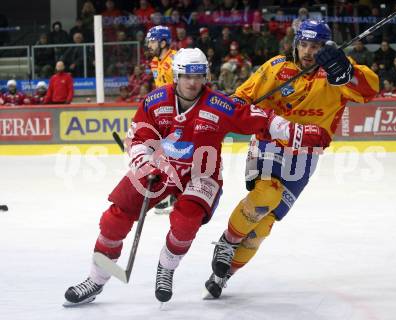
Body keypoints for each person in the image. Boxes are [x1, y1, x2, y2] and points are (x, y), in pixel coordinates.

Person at [63, 47, 330, 306]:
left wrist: (303, 133)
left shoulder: (219, 105)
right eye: (187, 76)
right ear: (177, 76)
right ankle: (96, 280)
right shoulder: (156, 100)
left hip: (202, 174)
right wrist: (144, 161)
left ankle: (166, 268)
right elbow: (139, 135)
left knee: (185, 222)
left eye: (198, 76)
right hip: (159, 169)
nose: (193, 82)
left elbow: (263, 121)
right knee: (114, 219)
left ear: (206, 77)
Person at [204, 19, 379, 299]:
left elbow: (370, 90)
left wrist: (349, 72)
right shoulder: (276, 68)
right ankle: (227, 242)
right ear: (295, 44)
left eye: (317, 46)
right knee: (266, 195)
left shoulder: (336, 73)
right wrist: (217, 115)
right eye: (305, 44)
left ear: (327, 48)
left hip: (306, 155)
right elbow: (242, 97)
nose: (309, 51)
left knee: (264, 224)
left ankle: (223, 274)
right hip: (270, 143)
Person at [145, 25, 178, 214]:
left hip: (177, 114)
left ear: (163, 42)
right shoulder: (155, 62)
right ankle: (168, 193)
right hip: (163, 113)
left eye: (152, 41)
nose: (149, 45)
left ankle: (174, 194)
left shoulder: (175, 59)